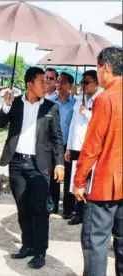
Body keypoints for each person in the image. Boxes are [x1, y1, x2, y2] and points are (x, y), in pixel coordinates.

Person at [0, 67, 65, 269]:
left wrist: (59, 163)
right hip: (17, 163)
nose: (47, 85)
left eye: (47, 81)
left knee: (40, 210)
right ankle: (27, 245)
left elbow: (57, 138)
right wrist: (6, 106)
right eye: (42, 82)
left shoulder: (51, 108)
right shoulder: (15, 103)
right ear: (29, 85)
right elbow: (0, 123)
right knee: (22, 207)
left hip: (39, 165)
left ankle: (40, 251)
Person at [73, 46, 122, 276]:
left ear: (106, 67)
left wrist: (79, 179)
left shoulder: (105, 98)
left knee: (96, 243)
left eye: (97, 68)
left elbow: (92, 145)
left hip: (104, 184)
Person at [65, 70, 101, 225]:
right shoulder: (79, 100)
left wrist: (87, 113)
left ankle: (89, 214)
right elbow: (73, 125)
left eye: (87, 82)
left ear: (97, 83)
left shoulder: (100, 100)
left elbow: (101, 124)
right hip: (76, 145)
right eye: (82, 82)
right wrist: (68, 146)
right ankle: (78, 212)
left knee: (89, 182)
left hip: (91, 147)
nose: (84, 85)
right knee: (76, 179)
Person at [50, 72, 76, 217]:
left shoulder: (76, 103)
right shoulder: (50, 101)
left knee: (68, 178)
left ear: (70, 85)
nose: (59, 85)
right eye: (58, 82)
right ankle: (52, 205)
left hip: (68, 145)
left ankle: (68, 208)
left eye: (63, 82)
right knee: (53, 175)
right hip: (53, 144)